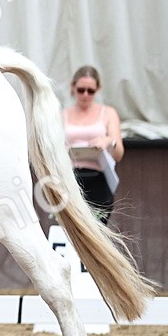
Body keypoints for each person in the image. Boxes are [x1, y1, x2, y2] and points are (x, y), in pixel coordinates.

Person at [62, 65, 123, 224]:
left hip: (99, 177)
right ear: (73, 87)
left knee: (97, 227)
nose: (85, 95)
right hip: (71, 177)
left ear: (98, 90)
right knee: (73, 228)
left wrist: (109, 141)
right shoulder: (62, 115)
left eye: (91, 91)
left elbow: (119, 153)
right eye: (81, 90)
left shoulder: (108, 113)